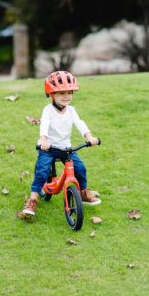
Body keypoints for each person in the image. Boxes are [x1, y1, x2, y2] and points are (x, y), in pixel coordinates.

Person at [23, 71, 100, 216]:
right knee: (42, 172)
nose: (66, 96)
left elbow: (80, 123)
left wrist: (90, 137)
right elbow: (44, 125)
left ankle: (83, 193)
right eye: (61, 93)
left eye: (69, 92)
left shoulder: (71, 110)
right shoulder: (48, 110)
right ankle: (32, 201)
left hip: (66, 148)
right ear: (51, 95)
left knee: (80, 169)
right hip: (48, 148)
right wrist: (43, 141)